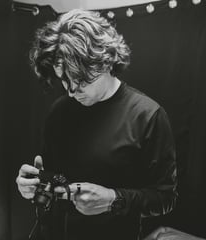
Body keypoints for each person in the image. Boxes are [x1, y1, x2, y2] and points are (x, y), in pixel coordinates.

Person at [16, 9, 177, 240]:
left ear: (106, 61)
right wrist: (33, 186)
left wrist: (113, 199)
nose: (71, 91)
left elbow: (165, 198)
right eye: (64, 80)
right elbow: (52, 181)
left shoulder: (148, 116)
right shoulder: (59, 110)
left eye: (80, 80)